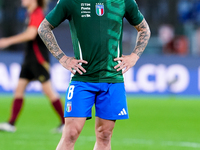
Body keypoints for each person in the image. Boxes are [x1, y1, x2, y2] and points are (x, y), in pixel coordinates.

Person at [38, 0, 150, 149]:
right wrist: (62, 58)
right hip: (82, 78)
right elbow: (43, 27)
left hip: (112, 79)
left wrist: (134, 56)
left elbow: (144, 29)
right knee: (71, 133)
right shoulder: (70, 2)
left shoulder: (124, 1)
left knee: (104, 135)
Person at [0, 0, 64, 133]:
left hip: (38, 59)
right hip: (29, 59)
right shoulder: (29, 14)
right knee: (19, 89)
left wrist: (8, 41)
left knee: (48, 91)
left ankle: (65, 123)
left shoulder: (37, 13)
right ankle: (11, 123)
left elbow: (31, 34)